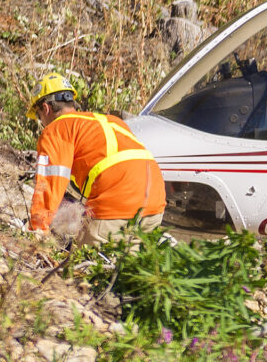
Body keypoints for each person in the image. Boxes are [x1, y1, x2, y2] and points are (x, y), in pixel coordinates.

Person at [25, 71, 165, 242]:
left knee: (82, 266)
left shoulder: (57, 129)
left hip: (117, 203)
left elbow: (49, 184)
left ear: (45, 108)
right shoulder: (110, 121)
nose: (42, 122)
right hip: (155, 200)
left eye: (39, 117)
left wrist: (36, 231)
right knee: (130, 265)